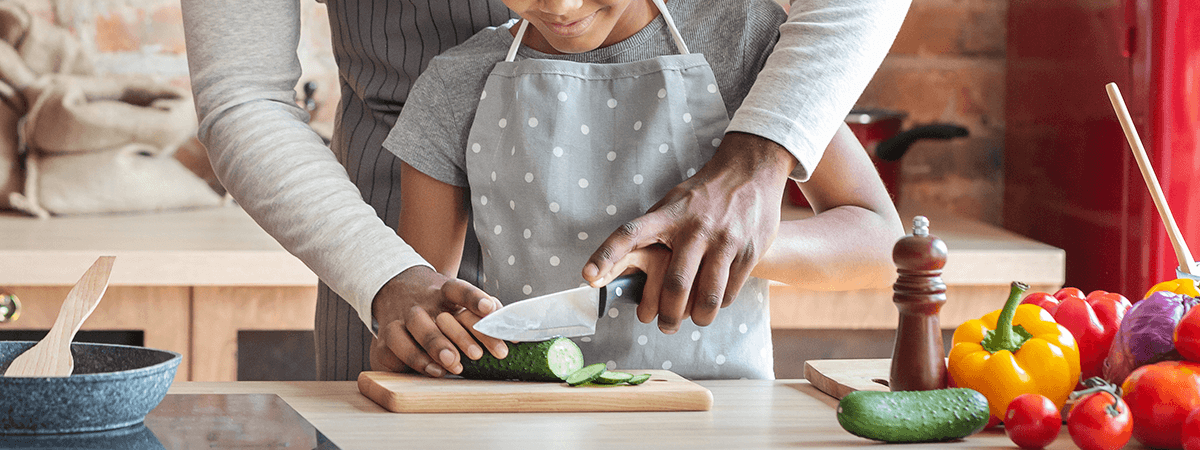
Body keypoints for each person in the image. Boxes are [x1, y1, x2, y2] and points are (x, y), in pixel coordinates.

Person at [181, 0, 910, 381]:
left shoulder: (741, 37)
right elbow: (244, 96)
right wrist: (395, 298)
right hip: (389, 255)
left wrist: (740, 235)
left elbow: (882, 243)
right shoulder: (457, 82)